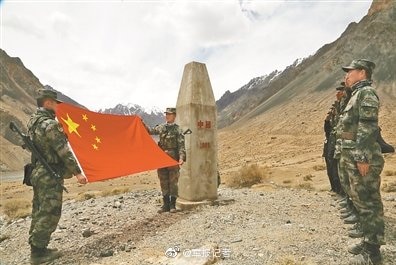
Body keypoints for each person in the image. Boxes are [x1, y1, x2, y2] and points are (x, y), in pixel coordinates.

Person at [27, 88, 87, 264]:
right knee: (50, 211)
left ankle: (38, 247)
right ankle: (38, 254)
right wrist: (78, 173)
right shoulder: (50, 124)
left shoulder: (33, 122)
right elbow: (63, 151)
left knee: (39, 209)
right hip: (49, 174)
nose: (57, 107)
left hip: (38, 172)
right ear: (47, 103)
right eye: (55, 103)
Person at [338, 59, 385, 264]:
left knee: (369, 202)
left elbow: (367, 128)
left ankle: (373, 252)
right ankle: (367, 241)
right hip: (352, 155)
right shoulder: (356, 94)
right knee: (359, 199)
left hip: (362, 157)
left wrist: (362, 157)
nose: (347, 75)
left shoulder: (366, 94)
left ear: (362, 73)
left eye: (350, 72)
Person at [145, 107, 186, 213]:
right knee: (163, 181)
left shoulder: (178, 130)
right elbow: (149, 131)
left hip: (173, 158)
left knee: (173, 182)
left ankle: (172, 205)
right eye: (166, 114)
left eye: (169, 114)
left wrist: (181, 158)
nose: (167, 116)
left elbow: (181, 146)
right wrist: (141, 123)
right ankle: (165, 205)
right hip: (161, 157)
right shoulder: (161, 127)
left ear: (174, 116)